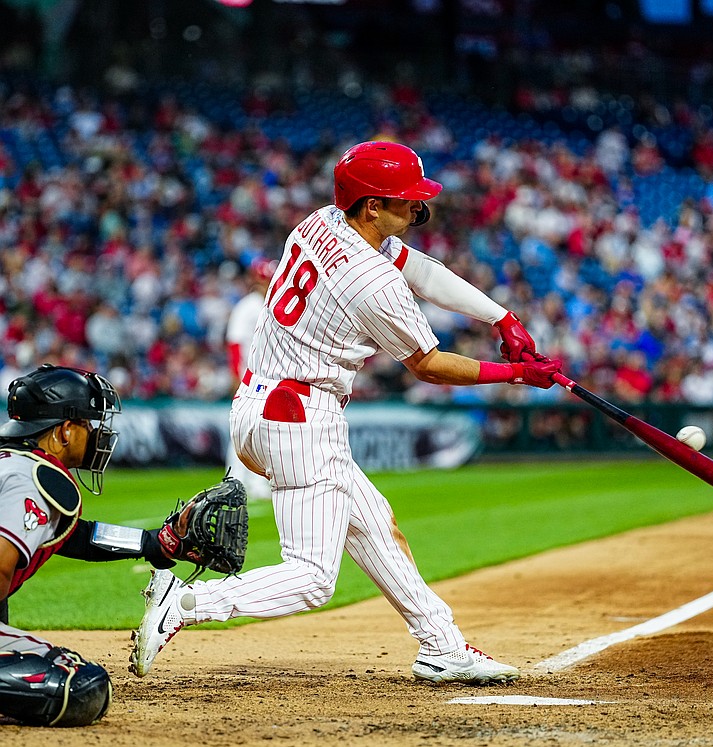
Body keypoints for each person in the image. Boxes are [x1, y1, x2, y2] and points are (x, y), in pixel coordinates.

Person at [131, 141, 562, 684]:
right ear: (371, 206)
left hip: (262, 405)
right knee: (312, 577)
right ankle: (187, 603)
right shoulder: (372, 282)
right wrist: (519, 374)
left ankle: (442, 645)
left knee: (377, 527)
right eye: (405, 200)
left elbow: (421, 270)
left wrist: (502, 318)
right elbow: (428, 365)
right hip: (299, 418)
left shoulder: (320, 223)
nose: (417, 209)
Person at [0, 364, 202, 726]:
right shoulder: (32, 477)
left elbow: (74, 536)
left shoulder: (14, 463)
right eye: (88, 423)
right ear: (64, 431)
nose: (96, 432)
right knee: (79, 686)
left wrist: (156, 543)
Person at [223, 257, 278, 500]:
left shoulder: (266, 304)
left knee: (255, 429)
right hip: (249, 377)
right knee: (246, 428)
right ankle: (237, 479)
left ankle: (243, 479)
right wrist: (237, 375)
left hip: (262, 376)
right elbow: (234, 343)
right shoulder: (249, 306)